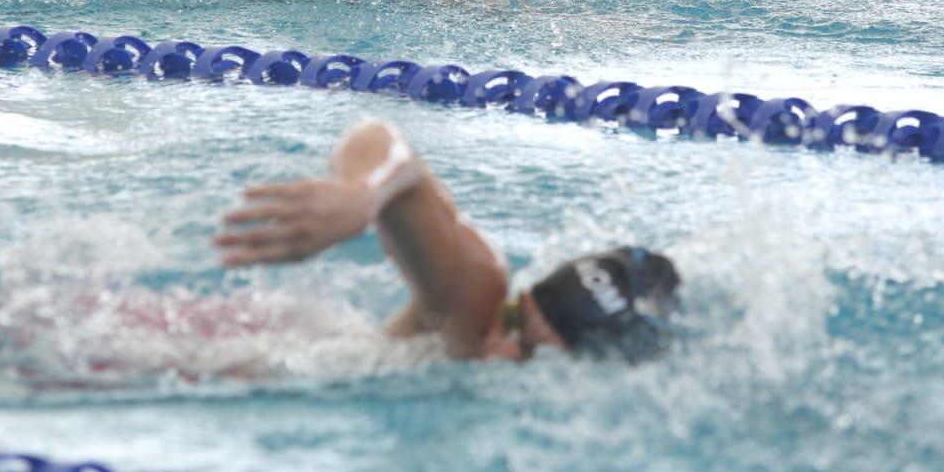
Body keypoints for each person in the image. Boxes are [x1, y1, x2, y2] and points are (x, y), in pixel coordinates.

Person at [216, 117, 681, 364]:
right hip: (238, 350)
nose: (497, 346)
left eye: (529, 353)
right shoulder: (476, 301)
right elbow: (376, 140)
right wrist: (365, 195)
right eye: (514, 319)